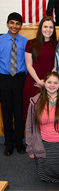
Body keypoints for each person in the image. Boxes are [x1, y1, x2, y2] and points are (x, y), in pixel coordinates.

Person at [25, 72, 59, 183]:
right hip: (43, 143)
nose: (52, 85)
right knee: (45, 176)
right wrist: (30, 148)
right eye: (49, 82)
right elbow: (29, 126)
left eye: (55, 83)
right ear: (44, 83)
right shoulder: (35, 102)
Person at [0, 12, 28, 156]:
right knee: (6, 112)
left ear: (21, 26)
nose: (14, 26)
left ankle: (19, 141)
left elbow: (28, 62)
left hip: (19, 79)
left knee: (19, 111)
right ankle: (9, 143)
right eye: (12, 23)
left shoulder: (25, 41)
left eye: (17, 23)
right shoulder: (0, 40)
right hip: (4, 78)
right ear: (7, 24)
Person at [23, 16, 57, 124]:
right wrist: (38, 81)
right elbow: (29, 65)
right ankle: (32, 140)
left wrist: (47, 83)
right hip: (34, 83)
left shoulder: (56, 44)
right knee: (34, 115)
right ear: (40, 28)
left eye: (51, 27)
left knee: (48, 115)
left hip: (51, 85)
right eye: (45, 26)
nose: (48, 29)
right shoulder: (31, 44)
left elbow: (56, 66)